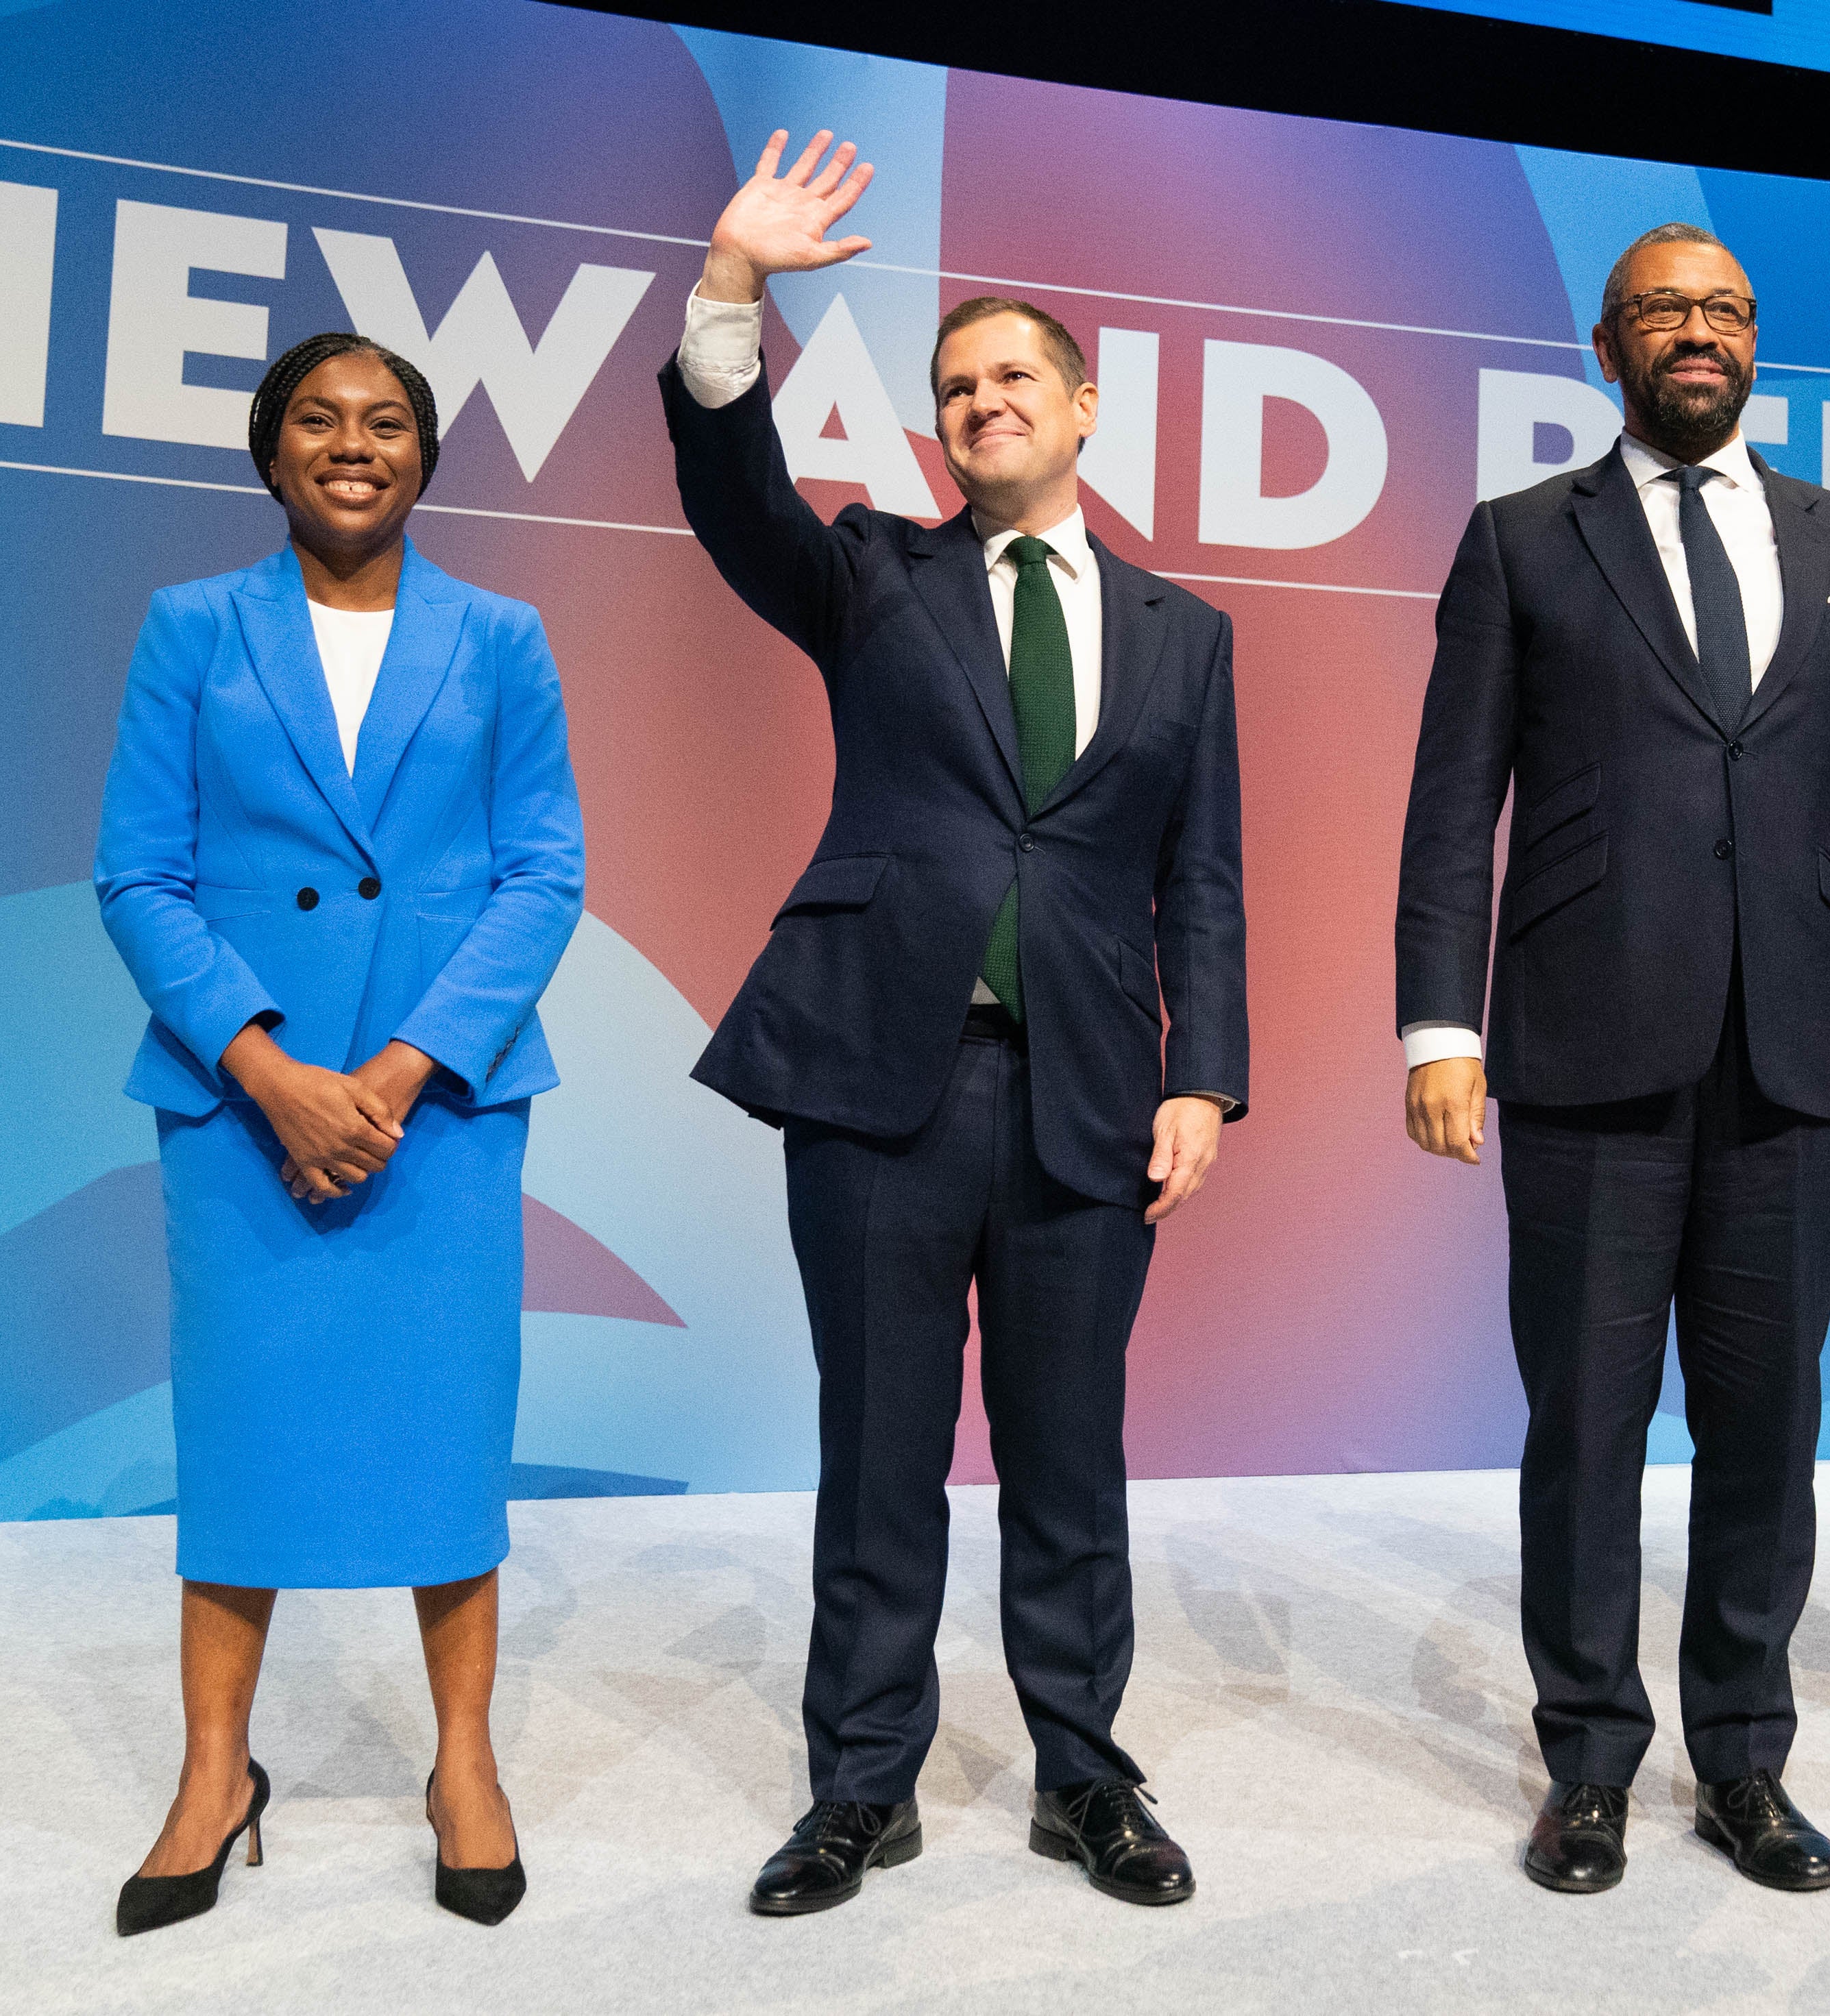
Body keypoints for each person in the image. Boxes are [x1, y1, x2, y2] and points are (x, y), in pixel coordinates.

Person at [661, 132, 1247, 1915]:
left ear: (1081, 407)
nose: (979, 401)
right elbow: (727, 491)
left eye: (1011, 378)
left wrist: (1205, 1071)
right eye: (952, 388)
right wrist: (729, 293)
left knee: (1070, 1458)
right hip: (874, 1087)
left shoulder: (1183, 631)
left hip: (1086, 1093)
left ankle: (1085, 1772)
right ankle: (861, 1784)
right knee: (879, 1451)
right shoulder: (871, 574)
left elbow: (1201, 875)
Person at [1398, 223, 1830, 1895]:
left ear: (1754, 340)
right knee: (1586, 1424)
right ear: (1604, 343)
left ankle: (1743, 1764)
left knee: (1766, 1426)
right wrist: (1442, 1023)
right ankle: (1584, 1764)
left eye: (1720, 311)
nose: (1693, 334)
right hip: (1578, 1051)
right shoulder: (1519, 542)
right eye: (1662, 312)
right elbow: (1449, 807)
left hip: (1791, 1053)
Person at [94, 332, 586, 1933]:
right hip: (241, 1111)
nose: (352, 443)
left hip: (435, 1111)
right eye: (319, 418)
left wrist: (391, 1071)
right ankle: (212, 1774)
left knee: (447, 1434)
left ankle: (464, 1764)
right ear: (269, 448)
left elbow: (543, 875)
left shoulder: (502, 637)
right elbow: (137, 876)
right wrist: (271, 1069)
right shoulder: (189, 627)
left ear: (426, 454)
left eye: (385, 421)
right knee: (240, 1442)